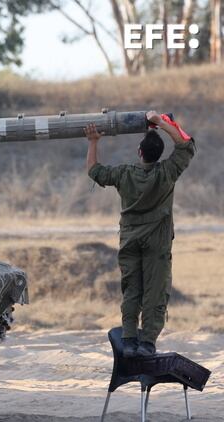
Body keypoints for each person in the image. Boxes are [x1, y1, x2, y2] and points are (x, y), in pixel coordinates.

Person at [84, 111, 195, 357]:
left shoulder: (124, 174)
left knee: (132, 290)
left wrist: (93, 141)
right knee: (155, 291)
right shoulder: (167, 173)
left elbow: (94, 170)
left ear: (139, 152)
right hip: (157, 243)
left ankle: (129, 338)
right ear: (158, 155)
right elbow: (186, 145)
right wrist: (162, 123)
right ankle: (147, 343)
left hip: (130, 240)